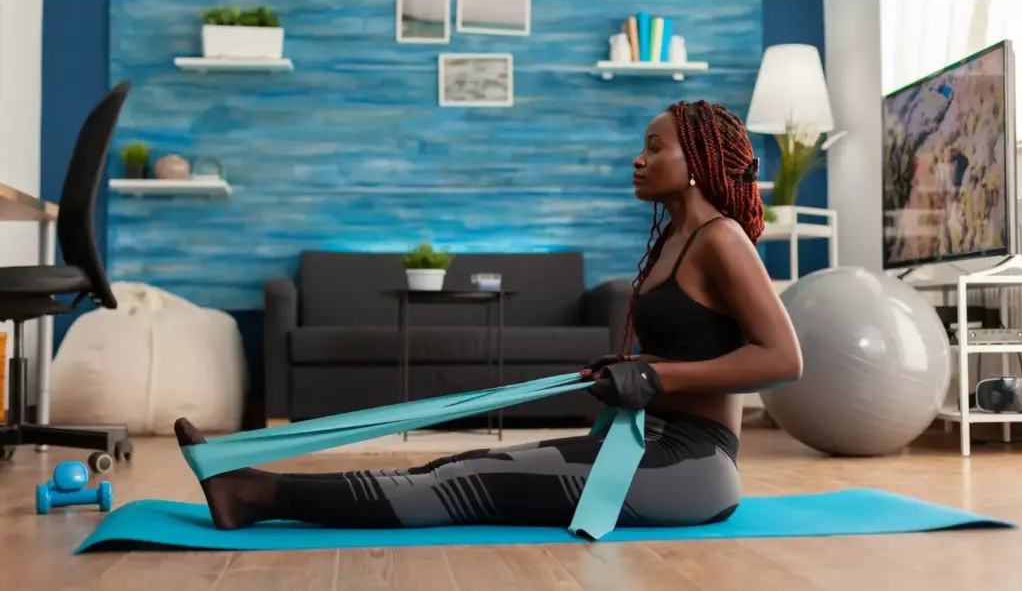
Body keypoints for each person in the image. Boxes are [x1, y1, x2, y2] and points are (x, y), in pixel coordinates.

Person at [174, 99, 803, 531]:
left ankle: (259, 495)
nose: (637, 159)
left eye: (653, 147)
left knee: (470, 483)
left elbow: (783, 360)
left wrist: (656, 379)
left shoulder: (722, 239)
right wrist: (631, 366)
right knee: (458, 464)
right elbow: (689, 350)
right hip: (641, 444)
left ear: (695, 161)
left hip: (693, 468)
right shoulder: (671, 242)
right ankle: (252, 490)